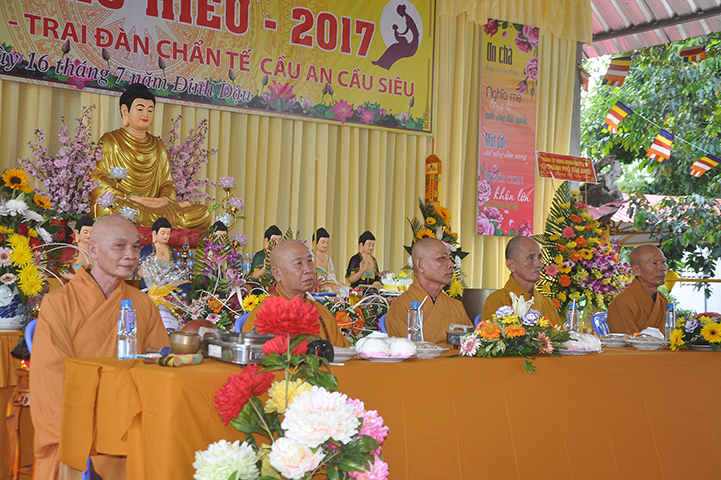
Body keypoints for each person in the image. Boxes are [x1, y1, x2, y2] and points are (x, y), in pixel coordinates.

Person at [30, 215, 169, 480]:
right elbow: (50, 377)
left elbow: (158, 366)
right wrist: (86, 424)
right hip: (78, 416)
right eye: (119, 246)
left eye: (136, 247)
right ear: (93, 250)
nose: (130, 255)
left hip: (128, 417)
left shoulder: (142, 303)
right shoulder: (59, 303)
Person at [90, 83, 210, 229]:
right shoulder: (110, 141)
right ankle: (151, 222)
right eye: (140, 109)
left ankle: (153, 222)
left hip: (157, 208)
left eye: (150, 110)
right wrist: (131, 198)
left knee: (203, 213)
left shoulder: (158, 145)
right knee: (107, 208)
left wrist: (164, 200)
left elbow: (167, 183)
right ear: (125, 111)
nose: (145, 114)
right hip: (127, 204)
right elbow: (97, 180)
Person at [243, 240, 349, 347]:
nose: (308, 269)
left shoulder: (323, 313)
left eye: (310, 261)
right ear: (277, 273)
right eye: (298, 263)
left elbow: (344, 351)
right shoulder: (262, 316)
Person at [386, 238, 473, 344]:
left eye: (450, 258)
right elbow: (404, 349)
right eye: (442, 258)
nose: (451, 264)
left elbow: (472, 344)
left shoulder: (456, 306)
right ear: (421, 265)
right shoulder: (401, 307)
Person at [482, 236, 562, 326]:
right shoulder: (496, 301)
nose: (538, 264)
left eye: (539, 258)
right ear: (511, 265)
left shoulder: (547, 303)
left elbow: (560, 333)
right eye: (530, 257)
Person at [607, 245, 669, 334]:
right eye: (654, 263)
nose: (663, 268)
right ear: (636, 270)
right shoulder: (622, 302)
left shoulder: (662, 299)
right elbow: (626, 341)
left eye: (664, 262)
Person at [138, 217, 177, 289]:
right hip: (151, 286)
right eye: (163, 233)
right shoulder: (148, 249)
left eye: (168, 233)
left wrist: (170, 279)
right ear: (154, 234)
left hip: (167, 285)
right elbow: (140, 271)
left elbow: (175, 270)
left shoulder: (170, 250)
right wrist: (154, 277)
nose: (166, 236)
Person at [59, 215, 94, 282]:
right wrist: (77, 278)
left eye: (91, 232)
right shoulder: (71, 250)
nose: (89, 235)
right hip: (75, 283)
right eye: (85, 232)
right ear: (77, 233)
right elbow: (62, 270)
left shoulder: (96, 250)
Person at [312, 227, 341, 293]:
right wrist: (319, 283)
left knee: (346, 289)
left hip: (328, 284)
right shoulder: (310, 257)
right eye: (323, 242)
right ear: (315, 243)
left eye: (327, 243)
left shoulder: (328, 258)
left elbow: (332, 273)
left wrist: (331, 282)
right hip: (317, 286)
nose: (325, 245)